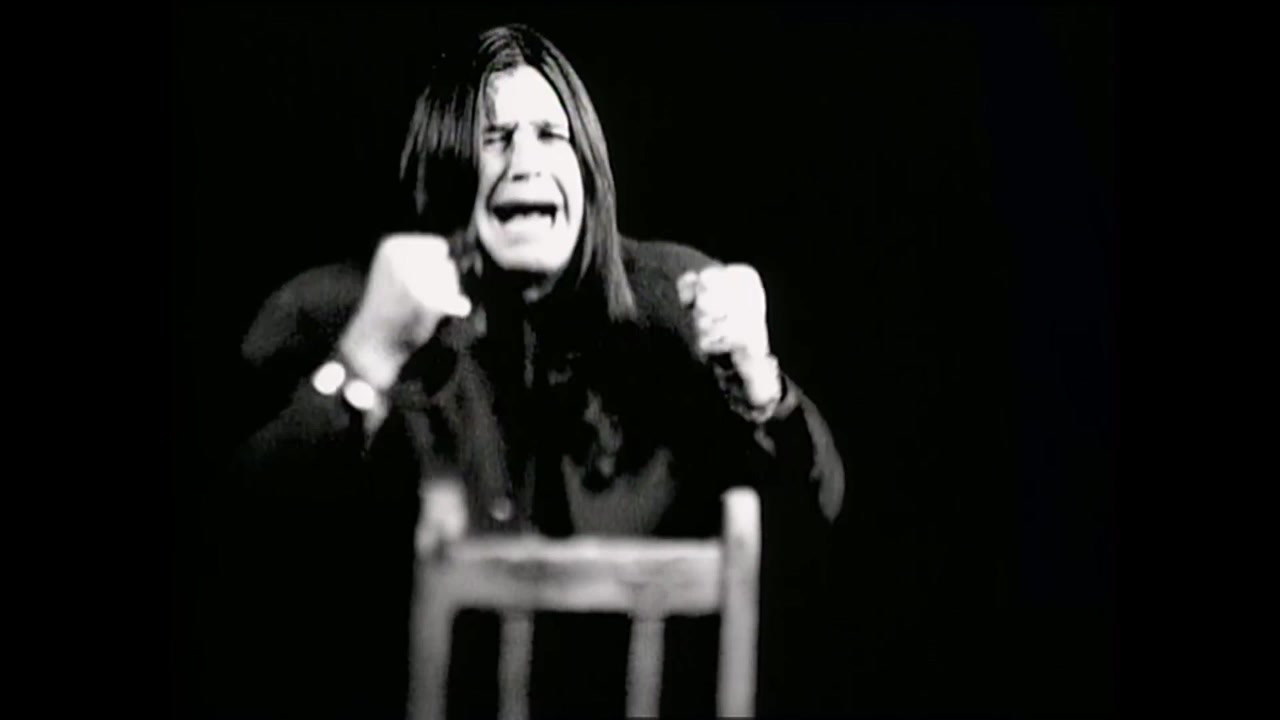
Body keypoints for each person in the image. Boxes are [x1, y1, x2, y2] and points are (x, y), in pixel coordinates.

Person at [220, 23, 845, 719]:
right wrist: (364, 360)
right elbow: (233, 549)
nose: (525, 162)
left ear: (588, 169)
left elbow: (814, 529)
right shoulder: (335, 309)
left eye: (550, 135)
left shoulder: (676, 305)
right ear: (444, 166)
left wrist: (759, 381)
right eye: (494, 139)